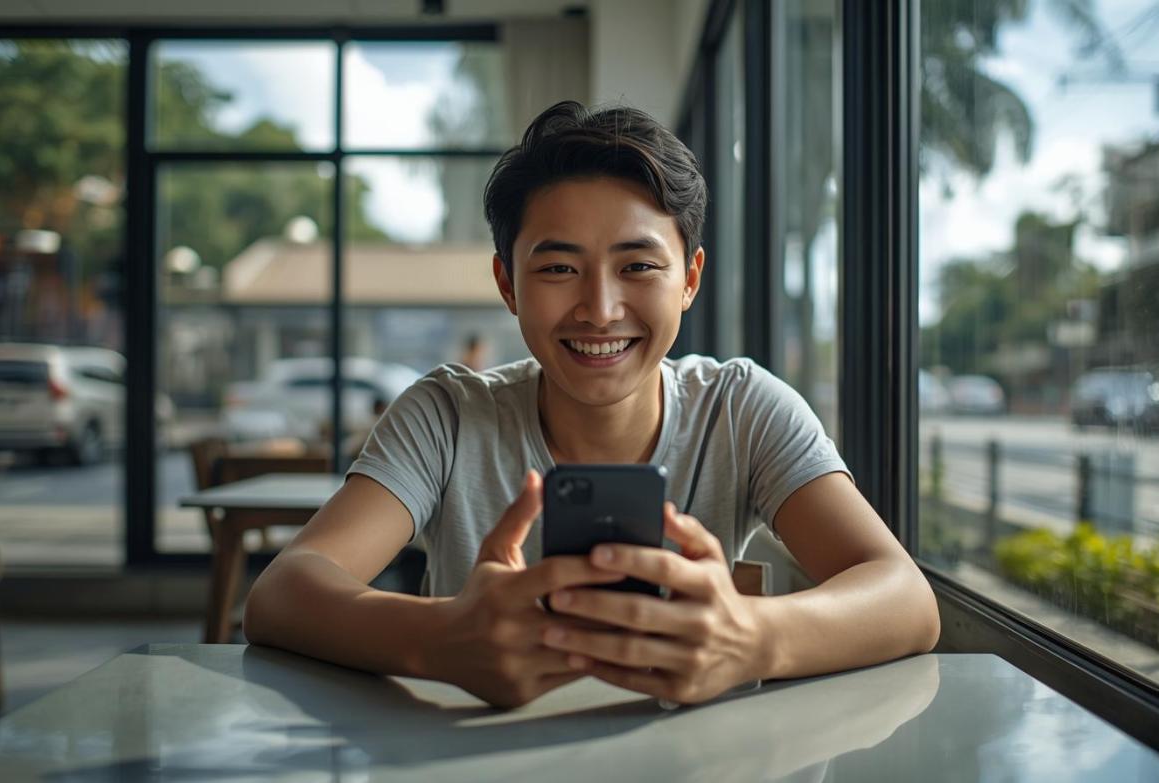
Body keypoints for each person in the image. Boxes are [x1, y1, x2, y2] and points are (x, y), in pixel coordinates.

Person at [244, 101, 939, 708]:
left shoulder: (743, 407)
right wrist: (440, 638)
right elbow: (282, 594)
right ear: (507, 284)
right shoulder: (448, 414)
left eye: (637, 266)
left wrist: (751, 637)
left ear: (690, 279)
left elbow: (904, 597)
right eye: (556, 268)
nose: (600, 310)